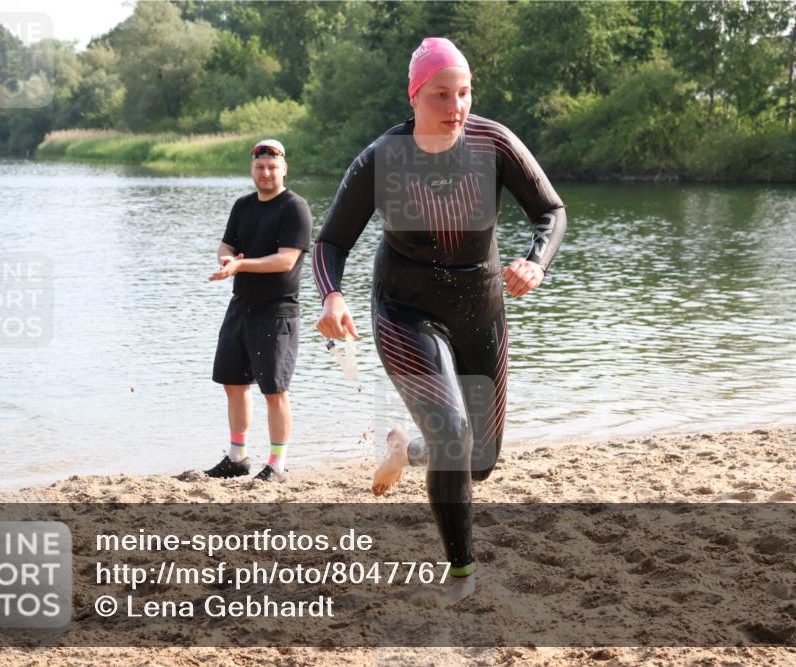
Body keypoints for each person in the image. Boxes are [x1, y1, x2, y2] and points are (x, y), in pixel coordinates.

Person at [313, 37, 566, 601]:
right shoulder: (384, 158)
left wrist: (536, 261)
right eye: (441, 95)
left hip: (482, 312)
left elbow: (551, 209)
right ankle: (462, 576)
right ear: (415, 97)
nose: (456, 106)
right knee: (455, 433)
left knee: (478, 462)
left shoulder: (493, 143)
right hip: (406, 313)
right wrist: (333, 296)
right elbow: (330, 241)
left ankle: (411, 449)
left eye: (465, 92)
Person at [206, 139, 313, 482]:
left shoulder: (294, 207)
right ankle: (237, 457)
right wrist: (226, 258)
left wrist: (240, 266)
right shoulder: (243, 206)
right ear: (252, 169)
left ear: (284, 169)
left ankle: (278, 465)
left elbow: (285, 260)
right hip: (241, 307)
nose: (265, 173)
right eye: (259, 167)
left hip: (277, 311)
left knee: (274, 390)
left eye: (272, 167)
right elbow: (228, 243)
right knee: (233, 383)